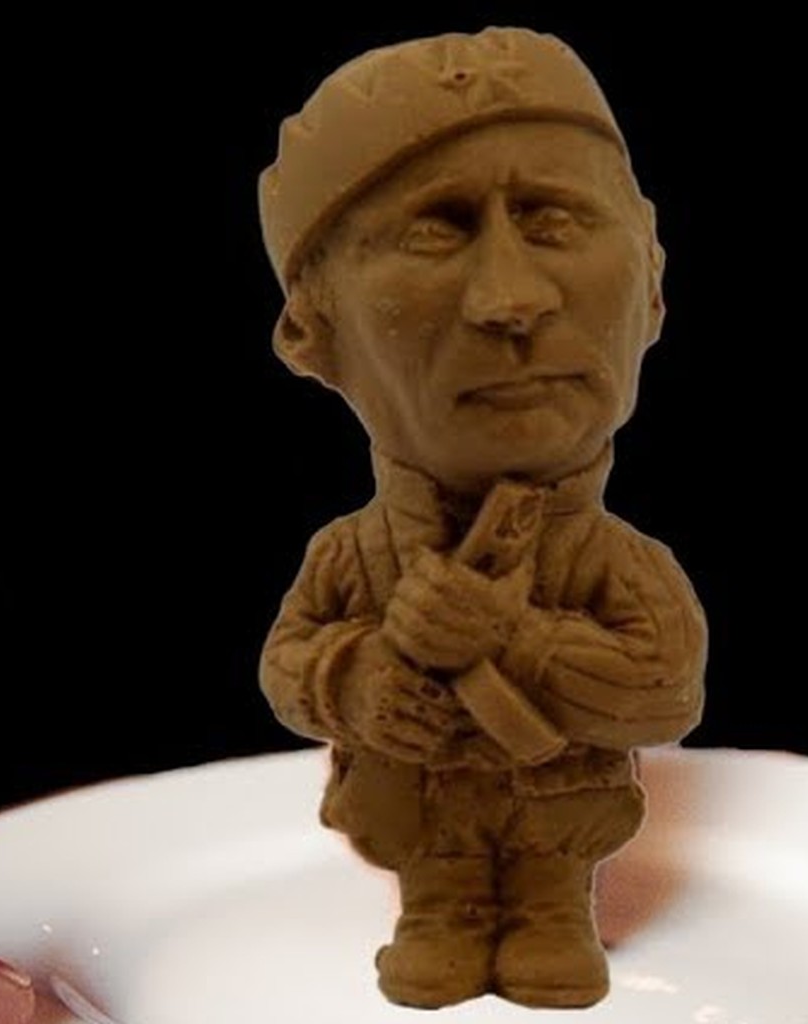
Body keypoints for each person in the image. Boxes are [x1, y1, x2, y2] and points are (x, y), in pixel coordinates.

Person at [258, 27, 707, 1009]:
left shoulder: (616, 565)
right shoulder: (353, 559)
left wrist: (513, 637)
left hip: (558, 818)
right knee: (437, 915)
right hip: (422, 818)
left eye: (554, 220)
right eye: (434, 231)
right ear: (309, 329)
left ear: (653, 285)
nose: (512, 297)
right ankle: (441, 911)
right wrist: (353, 678)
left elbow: (664, 692)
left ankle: (553, 910)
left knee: (552, 918)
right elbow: (289, 663)